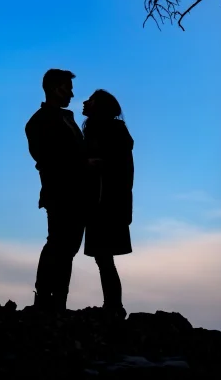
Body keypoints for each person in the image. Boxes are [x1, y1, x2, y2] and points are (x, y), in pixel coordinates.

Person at [25, 68, 89, 312]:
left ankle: (58, 301)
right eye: (67, 88)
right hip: (59, 192)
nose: (72, 94)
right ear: (55, 88)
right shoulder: (39, 121)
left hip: (77, 194)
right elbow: (47, 157)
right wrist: (83, 164)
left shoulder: (67, 119)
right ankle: (45, 299)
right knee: (58, 244)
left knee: (68, 248)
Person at [81, 89, 134, 319]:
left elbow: (121, 172)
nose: (85, 102)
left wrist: (93, 164)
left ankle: (113, 306)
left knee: (104, 257)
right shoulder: (100, 130)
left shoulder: (110, 131)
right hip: (102, 204)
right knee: (104, 259)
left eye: (90, 99)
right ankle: (113, 305)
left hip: (106, 205)